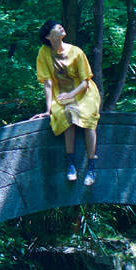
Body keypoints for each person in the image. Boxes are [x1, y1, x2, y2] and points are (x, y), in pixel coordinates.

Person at [35, 20, 101, 185]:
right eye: (55, 28)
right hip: (62, 94)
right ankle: (70, 163)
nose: (60, 27)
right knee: (67, 115)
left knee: (88, 119)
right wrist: (48, 109)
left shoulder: (76, 52)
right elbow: (47, 82)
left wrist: (71, 94)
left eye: (60, 26)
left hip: (84, 93)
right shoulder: (44, 53)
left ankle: (91, 165)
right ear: (48, 36)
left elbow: (85, 81)